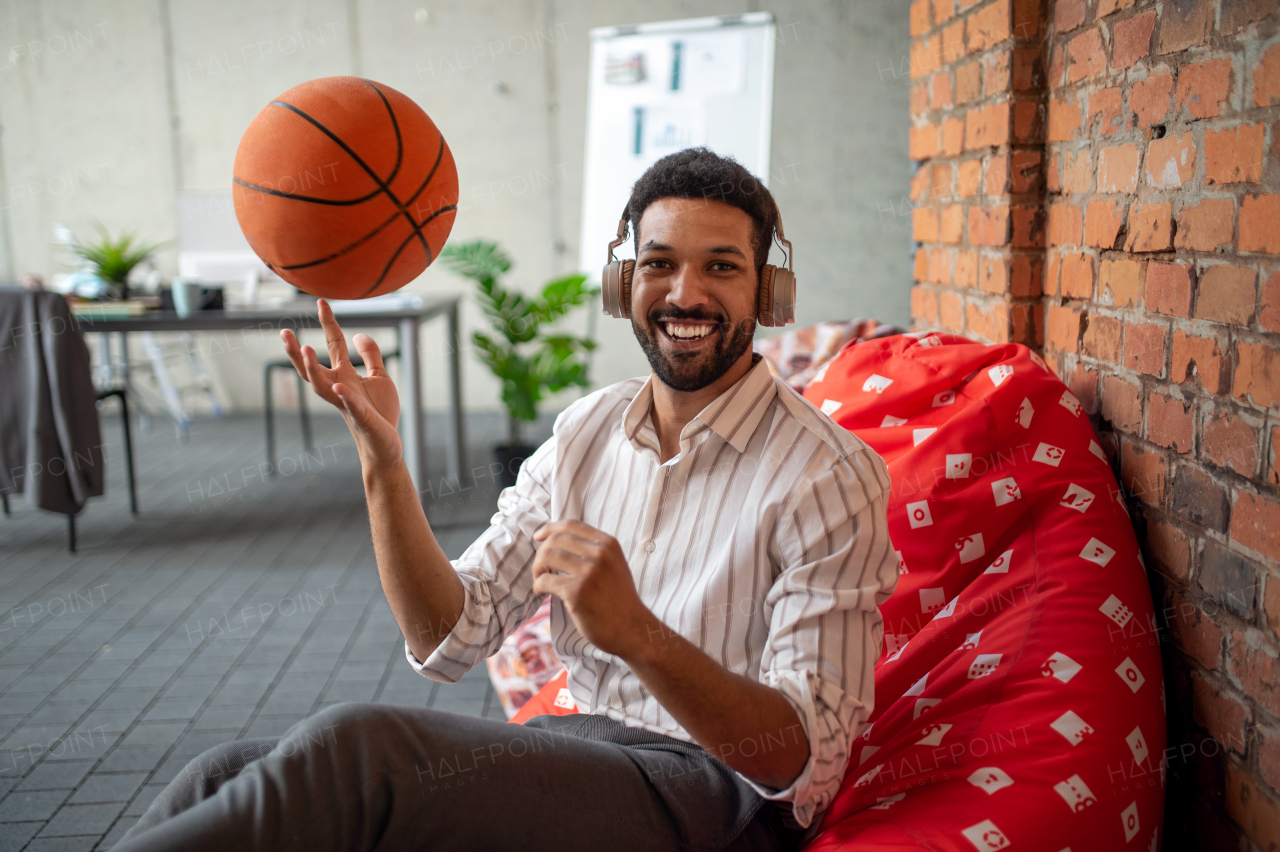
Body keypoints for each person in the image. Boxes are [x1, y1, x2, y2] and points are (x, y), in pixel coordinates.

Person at [114, 148, 898, 852]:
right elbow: (451, 633)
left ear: (768, 289)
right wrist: (384, 463)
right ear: (625, 283)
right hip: (589, 748)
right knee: (224, 769)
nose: (684, 293)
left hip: (721, 798)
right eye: (658, 263)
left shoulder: (827, 473)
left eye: (722, 267)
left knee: (355, 752)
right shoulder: (587, 430)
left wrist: (638, 635)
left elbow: (806, 764)